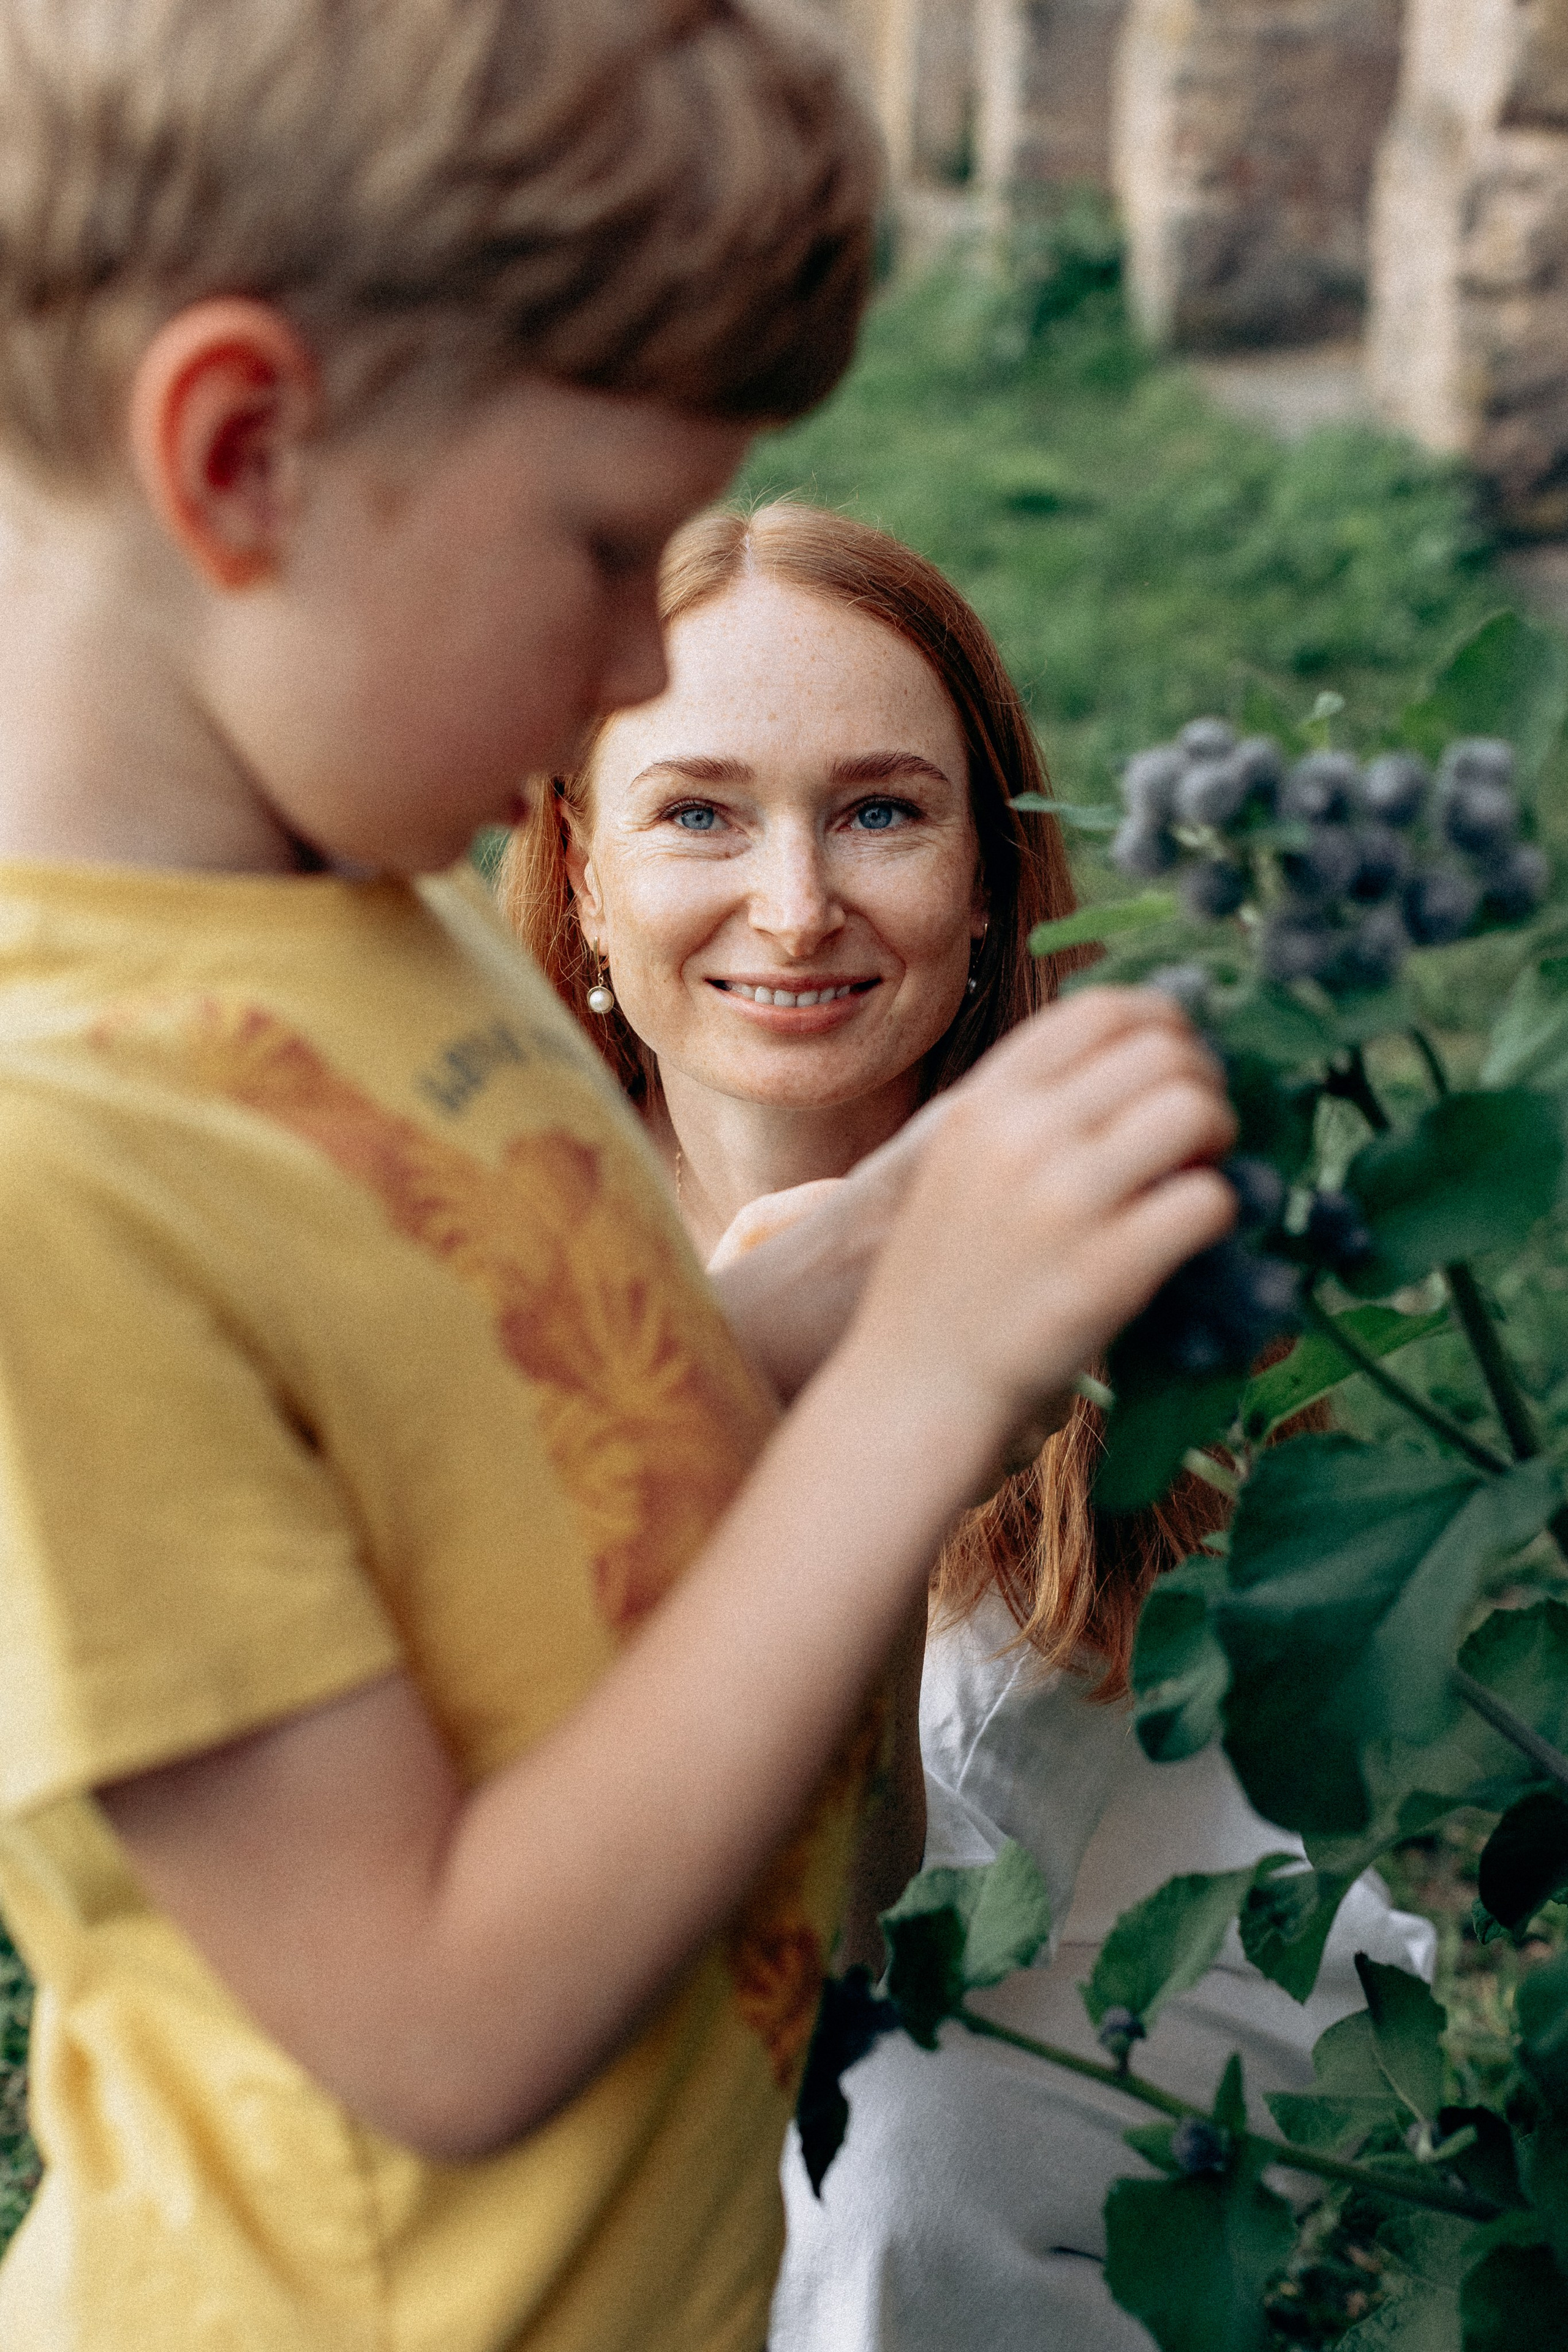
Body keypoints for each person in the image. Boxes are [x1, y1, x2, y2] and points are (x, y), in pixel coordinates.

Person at [0, 7, 1250, 2350]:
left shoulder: (369, 932)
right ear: (242, 454)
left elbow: (498, 1416)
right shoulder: (56, 1178)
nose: (629, 660)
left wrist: (848, 1273)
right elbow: (438, 2017)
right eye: (595, 548)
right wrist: (910, 1398)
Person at [499, 500, 1438, 2351]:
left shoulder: (1124, 1266)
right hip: (654, 1971)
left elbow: (857, 1936)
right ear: (585, 874)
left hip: (1091, 1968)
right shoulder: (483, 1244)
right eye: (698, 814)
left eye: (881, 812)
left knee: (859, 2183)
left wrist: (849, 1445)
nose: (795, 904)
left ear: (996, 877)